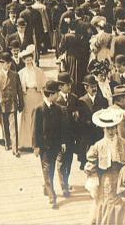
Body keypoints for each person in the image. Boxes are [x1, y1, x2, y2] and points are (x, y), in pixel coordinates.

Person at [84, 107, 125, 225]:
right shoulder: (98, 145)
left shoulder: (123, 143)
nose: (111, 132)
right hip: (106, 179)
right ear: (104, 129)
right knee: (107, 202)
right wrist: (93, 179)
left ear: (116, 128)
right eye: (108, 129)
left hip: (121, 177)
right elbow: (91, 163)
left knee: (122, 203)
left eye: (113, 128)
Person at [33, 80, 71, 209]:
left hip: (56, 146)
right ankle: (52, 197)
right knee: (48, 170)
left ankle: (46, 187)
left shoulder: (58, 109)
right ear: (51, 94)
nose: (57, 96)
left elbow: (62, 128)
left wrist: (63, 142)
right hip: (44, 147)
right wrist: (36, 146)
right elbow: (36, 129)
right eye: (56, 93)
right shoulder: (39, 109)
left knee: (52, 170)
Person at [53, 72, 81, 196]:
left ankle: (66, 180)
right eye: (66, 84)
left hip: (71, 136)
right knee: (60, 160)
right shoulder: (56, 100)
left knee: (69, 160)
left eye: (70, 84)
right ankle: (63, 186)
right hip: (59, 136)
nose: (69, 86)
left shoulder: (73, 98)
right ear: (60, 86)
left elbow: (76, 117)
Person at [0, 51, 23, 157]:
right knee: (5, 125)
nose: (7, 65)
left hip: (12, 104)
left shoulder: (15, 75)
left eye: (8, 63)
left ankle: (15, 149)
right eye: (5, 63)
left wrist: (21, 102)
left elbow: (19, 90)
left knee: (13, 126)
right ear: (1, 64)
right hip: (2, 104)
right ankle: (7, 143)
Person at [17, 44, 46, 150]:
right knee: (27, 119)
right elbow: (19, 88)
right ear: (24, 61)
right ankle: (27, 143)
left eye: (30, 60)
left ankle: (38, 142)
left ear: (32, 59)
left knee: (37, 118)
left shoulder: (39, 71)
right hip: (27, 96)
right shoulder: (21, 73)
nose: (28, 62)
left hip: (37, 95)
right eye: (26, 60)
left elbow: (44, 85)